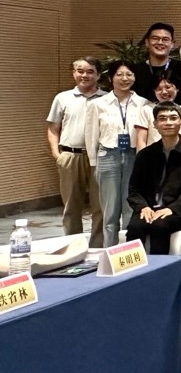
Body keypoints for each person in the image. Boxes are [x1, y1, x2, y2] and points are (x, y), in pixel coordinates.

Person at [125, 101, 181, 255]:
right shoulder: (145, 154)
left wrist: (172, 208)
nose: (168, 123)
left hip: (179, 210)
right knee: (135, 227)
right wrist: (143, 207)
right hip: (148, 209)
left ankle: (160, 269)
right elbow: (134, 189)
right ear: (154, 124)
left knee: (159, 226)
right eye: (162, 119)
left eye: (173, 118)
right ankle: (131, 269)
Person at [86, 61, 150, 246]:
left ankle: (130, 251)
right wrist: (93, 162)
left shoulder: (144, 103)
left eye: (129, 74)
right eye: (119, 74)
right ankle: (110, 252)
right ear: (110, 78)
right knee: (110, 211)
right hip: (107, 155)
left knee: (131, 208)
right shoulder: (98, 104)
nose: (124, 79)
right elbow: (91, 134)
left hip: (133, 156)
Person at [47, 56, 106, 245]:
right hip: (70, 156)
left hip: (99, 157)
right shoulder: (62, 98)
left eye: (90, 72)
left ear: (98, 75)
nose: (84, 75)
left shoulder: (107, 99)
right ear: (74, 73)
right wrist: (57, 155)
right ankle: (74, 246)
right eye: (80, 71)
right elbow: (53, 129)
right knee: (71, 206)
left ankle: (97, 247)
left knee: (100, 206)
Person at [133, 23, 181, 104]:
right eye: (155, 38)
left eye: (165, 39)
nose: (160, 42)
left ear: (172, 44)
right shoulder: (135, 70)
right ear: (147, 42)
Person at [136, 72, 181, 144]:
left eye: (168, 87)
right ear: (154, 91)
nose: (164, 92)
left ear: (177, 88)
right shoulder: (147, 110)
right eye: (159, 89)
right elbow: (141, 140)